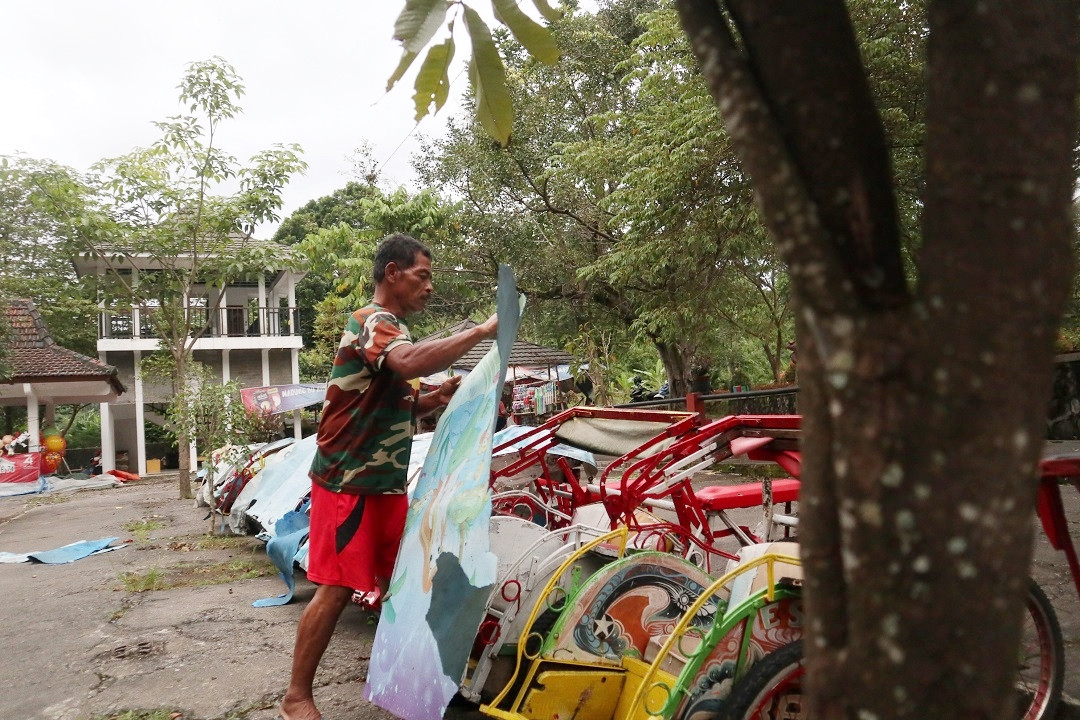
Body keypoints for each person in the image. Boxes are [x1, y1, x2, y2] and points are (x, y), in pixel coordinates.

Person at [280, 233, 498, 720]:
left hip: (383, 486)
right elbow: (405, 362)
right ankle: (296, 697)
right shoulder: (373, 322)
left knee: (401, 580)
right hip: (347, 483)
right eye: (422, 276)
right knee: (335, 587)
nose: (428, 288)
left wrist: (433, 401)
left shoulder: (393, 328)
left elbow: (393, 402)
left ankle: (409, 676)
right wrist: (482, 332)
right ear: (393, 273)